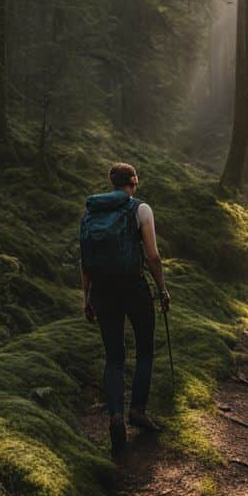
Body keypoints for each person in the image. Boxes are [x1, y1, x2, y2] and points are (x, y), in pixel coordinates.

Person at [79, 162, 171, 452]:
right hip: (134, 288)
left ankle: (116, 416)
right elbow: (153, 257)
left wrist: (87, 297)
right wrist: (162, 289)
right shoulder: (140, 209)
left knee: (114, 357)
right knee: (144, 349)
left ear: (111, 182)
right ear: (134, 181)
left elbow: (86, 260)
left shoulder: (90, 214)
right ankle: (138, 410)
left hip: (103, 292)